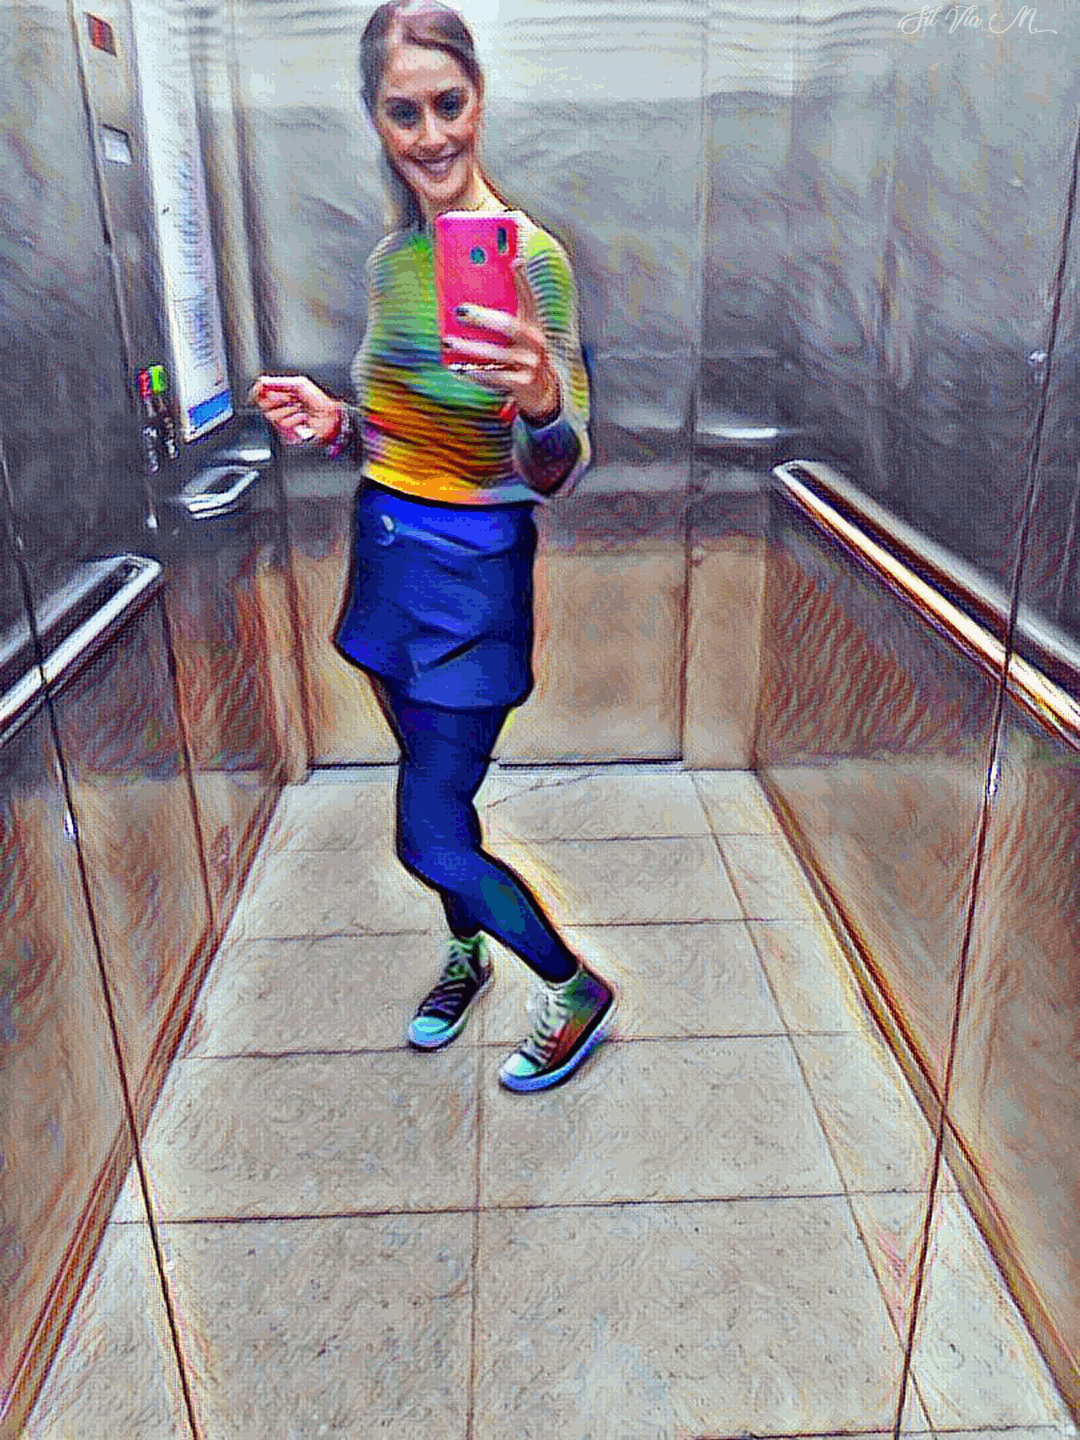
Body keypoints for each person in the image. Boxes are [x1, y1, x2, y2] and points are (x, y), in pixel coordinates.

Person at [250, 0, 616, 1092]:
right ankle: (469, 950)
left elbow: (560, 468)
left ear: (479, 100)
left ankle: (573, 986)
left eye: (448, 104)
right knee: (438, 797)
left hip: (473, 578)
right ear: (376, 119)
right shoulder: (390, 265)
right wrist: (337, 423)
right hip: (387, 560)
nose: (431, 134)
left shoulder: (531, 261)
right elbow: (402, 430)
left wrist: (542, 401)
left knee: (426, 835)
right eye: (403, 113)